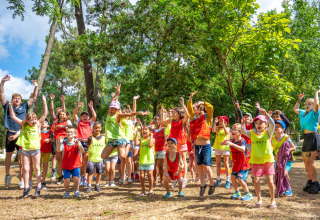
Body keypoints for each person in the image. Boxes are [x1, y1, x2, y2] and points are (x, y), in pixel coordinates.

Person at [100, 84, 149, 185]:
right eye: (111, 108)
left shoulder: (118, 115)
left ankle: (127, 145)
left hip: (120, 139)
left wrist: (139, 112)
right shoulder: (109, 114)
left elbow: (130, 114)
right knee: (103, 156)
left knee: (123, 157)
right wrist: (117, 93)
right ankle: (118, 148)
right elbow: (111, 101)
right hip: (111, 140)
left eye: (115, 109)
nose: (112, 110)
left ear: (117, 110)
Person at [0, 75, 38, 187]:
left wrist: (35, 87)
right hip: (10, 132)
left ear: (21, 100)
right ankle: (7, 175)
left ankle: (22, 179)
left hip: (22, 134)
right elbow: (1, 95)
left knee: (22, 158)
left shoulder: (24, 106)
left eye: (19, 98)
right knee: (8, 156)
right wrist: (2, 82)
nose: (17, 100)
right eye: (15, 98)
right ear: (12, 100)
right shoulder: (7, 105)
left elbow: (33, 98)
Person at [9, 95, 47, 198]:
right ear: (27, 120)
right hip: (25, 150)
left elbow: (45, 114)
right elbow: (13, 117)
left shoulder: (38, 125)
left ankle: (38, 186)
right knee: (25, 169)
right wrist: (10, 106)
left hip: (36, 150)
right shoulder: (23, 125)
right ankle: (26, 187)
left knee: (36, 168)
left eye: (35, 119)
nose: (34, 121)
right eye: (31, 119)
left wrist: (44, 101)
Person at [241, 108, 277, 209]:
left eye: (261, 122)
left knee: (270, 181)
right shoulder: (251, 133)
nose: (259, 124)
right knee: (256, 181)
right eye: (256, 123)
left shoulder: (268, 133)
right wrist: (243, 123)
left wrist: (266, 114)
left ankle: (272, 199)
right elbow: (243, 130)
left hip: (268, 161)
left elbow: (273, 124)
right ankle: (259, 199)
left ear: (266, 125)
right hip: (256, 161)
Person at [187, 91, 215, 196]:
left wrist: (202, 103)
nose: (199, 112)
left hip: (206, 145)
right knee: (199, 166)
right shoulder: (194, 119)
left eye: (201, 110)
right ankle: (202, 185)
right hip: (197, 146)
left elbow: (211, 107)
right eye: (198, 110)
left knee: (206, 166)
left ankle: (212, 183)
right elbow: (189, 109)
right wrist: (190, 98)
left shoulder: (207, 118)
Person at [293, 90, 320, 194]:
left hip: (313, 137)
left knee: (310, 161)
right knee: (305, 160)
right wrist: (299, 100)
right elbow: (295, 109)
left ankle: (315, 183)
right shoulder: (303, 113)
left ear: (313, 105)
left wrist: (316, 94)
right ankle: (309, 181)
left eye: (310, 104)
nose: (307, 105)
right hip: (306, 137)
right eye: (306, 104)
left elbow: (317, 104)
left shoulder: (315, 113)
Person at [160, 97, 188, 188]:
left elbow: (187, 115)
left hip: (182, 143)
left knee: (183, 159)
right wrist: (161, 112)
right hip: (173, 144)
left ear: (179, 114)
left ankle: (184, 178)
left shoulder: (182, 121)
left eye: (174, 112)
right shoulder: (171, 121)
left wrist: (184, 105)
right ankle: (176, 178)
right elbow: (162, 121)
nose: (173, 114)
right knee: (173, 161)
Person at [221, 123, 253, 201]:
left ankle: (248, 193)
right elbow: (222, 143)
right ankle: (237, 192)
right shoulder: (232, 140)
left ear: (240, 132)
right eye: (232, 129)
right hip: (236, 163)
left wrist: (232, 144)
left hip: (243, 164)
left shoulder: (242, 141)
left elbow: (242, 149)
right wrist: (223, 142)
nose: (233, 130)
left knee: (240, 179)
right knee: (233, 177)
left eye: (235, 129)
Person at [73, 101, 96, 187]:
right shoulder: (78, 122)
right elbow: (74, 114)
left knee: (85, 161)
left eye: (86, 116)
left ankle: (85, 178)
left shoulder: (90, 123)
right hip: (79, 142)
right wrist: (78, 107)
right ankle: (78, 177)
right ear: (81, 117)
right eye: (83, 116)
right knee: (79, 161)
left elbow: (95, 116)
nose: (84, 117)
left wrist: (91, 107)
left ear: (88, 117)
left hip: (87, 143)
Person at [57, 127, 85, 198]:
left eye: (71, 132)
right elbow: (58, 150)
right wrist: (59, 142)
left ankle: (76, 190)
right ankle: (67, 191)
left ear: (75, 134)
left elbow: (83, 151)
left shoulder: (77, 142)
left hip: (76, 164)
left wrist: (78, 144)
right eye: (68, 132)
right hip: (66, 165)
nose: (69, 133)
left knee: (76, 178)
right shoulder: (64, 142)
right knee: (66, 180)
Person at [272, 120, 295, 197]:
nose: (275, 128)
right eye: (274, 127)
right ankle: (281, 188)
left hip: (287, 159)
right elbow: (271, 149)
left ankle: (288, 188)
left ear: (283, 129)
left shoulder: (286, 138)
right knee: (278, 175)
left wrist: (284, 152)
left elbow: (293, 148)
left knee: (284, 173)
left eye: (278, 127)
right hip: (277, 160)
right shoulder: (272, 138)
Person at [134, 119, 155, 196]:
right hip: (142, 160)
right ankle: (143, 190)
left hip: (149, 160)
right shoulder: (141, 139)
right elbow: (136, 143)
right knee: (142, 176)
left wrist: (151, 136)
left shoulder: (152, 139)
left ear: (150, 132)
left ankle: (151, 189)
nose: (144, 131)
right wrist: (137, 134)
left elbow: (150, 145)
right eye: (143, 129)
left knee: (150, 175)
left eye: (146, 129)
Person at [49, 94, 65, 180]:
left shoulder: (66, 120)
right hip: (56, 137)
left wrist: (63, 101)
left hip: (65, 138)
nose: (60, 113)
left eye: (61, 112)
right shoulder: (55, 119)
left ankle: (65, 173)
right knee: (56, 155)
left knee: (65, 156)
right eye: (58, 112)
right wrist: (52, 100)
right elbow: (51, 110)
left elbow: (64, 109)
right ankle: (58, 173)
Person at [86, 122, 105, 193]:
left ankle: (97, 185)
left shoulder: (104, 138)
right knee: (90, 173)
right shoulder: (90, 138)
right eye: (95, 128)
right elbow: (88, 148)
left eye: (98, 128)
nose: (97, 129)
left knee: (99, 173)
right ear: (93, 128)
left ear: (101, 128)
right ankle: (89, 186)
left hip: (100, 159)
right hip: (91, 159)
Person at [213, 116, 231, 188]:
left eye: (221, 121)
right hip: (217, 147)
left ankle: (228, 180)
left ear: (226, 123)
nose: (219, 122)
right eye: (219, 121)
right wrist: (215, 123)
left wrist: (223, 125)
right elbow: (213, 131)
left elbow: (227, 132)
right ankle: (218, 178)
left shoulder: (227, 128)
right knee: (218, 164)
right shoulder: (217, 128)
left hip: (225, 148)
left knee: (226, 164)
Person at [152, 115, 166, 186]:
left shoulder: (164, 129)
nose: (157, 121)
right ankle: (155, 179)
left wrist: (162, 112)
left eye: (158, 120)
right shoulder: (152, 130)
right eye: (155, 120)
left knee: (160, 166)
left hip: (161, 150)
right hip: (154, 150)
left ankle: (162, 179)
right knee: (154, 166)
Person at [40, 120, 53, 190]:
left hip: (47, 151)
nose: (43, 122)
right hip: (38, 151)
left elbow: (53, 139)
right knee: (37, 166)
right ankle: (38, 181)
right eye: (42, 122)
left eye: (45, 122)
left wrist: (50, 139)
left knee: (45, 165)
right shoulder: (37, 131)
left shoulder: (50, 132)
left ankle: (43, 181)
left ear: (48, 125)